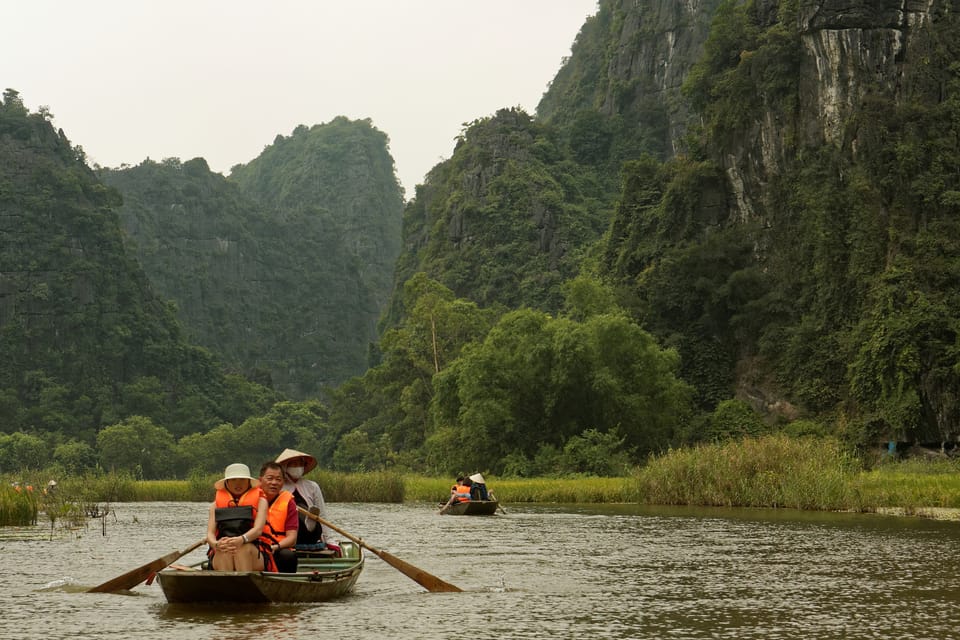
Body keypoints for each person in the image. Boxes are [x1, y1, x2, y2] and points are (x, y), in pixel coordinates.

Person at [207, 463, 269, 571]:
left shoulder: (261, 501)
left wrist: (241, 539)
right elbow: (210, 534)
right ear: (227, 482)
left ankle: (243, 584)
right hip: (224, 549)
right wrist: (216, 544)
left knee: (242, 549)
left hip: (252, 549)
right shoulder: (215, 505)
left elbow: (258, 530)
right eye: (233, 480)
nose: (238, 483)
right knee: (225, 550)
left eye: (242, 479)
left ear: (249, 482)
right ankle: (227, 584)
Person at [275, 448, 338, 553]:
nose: (297, 467)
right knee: (292, 509)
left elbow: (322, 514)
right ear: (286, 467)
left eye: (300, 464)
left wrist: (329, 539)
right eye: (294, 464)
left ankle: (310, 523)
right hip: (288, 531)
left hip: (311, 533)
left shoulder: (312, 486)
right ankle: (305, 521)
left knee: (310, 515)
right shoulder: (279, 486)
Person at [258, 461, 299, 573]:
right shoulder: (252, 499)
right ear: (260, 480)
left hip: (277, 548)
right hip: (256, 547)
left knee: (288, 556)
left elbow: (292, 538)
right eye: (270, 478)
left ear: (283, 482)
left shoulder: (288, 502)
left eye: (278, 479)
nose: (274, 483)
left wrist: (274, 547)